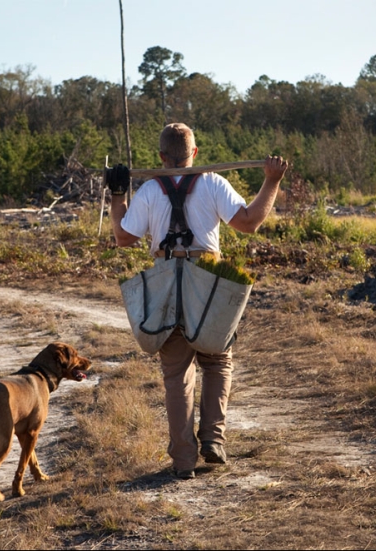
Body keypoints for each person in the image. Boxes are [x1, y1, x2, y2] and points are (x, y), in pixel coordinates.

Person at [109, 122, 288, 479]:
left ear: (160, 157)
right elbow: (249, 222)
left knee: (177, 376)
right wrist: (272, 180)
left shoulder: (148, 190)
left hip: (165, 282)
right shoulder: (212, 182)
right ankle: (213, 439)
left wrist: (117, 195)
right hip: (208, 280)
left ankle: (184, 461)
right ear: (195, 153)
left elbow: (123, 238)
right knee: (218, 362)